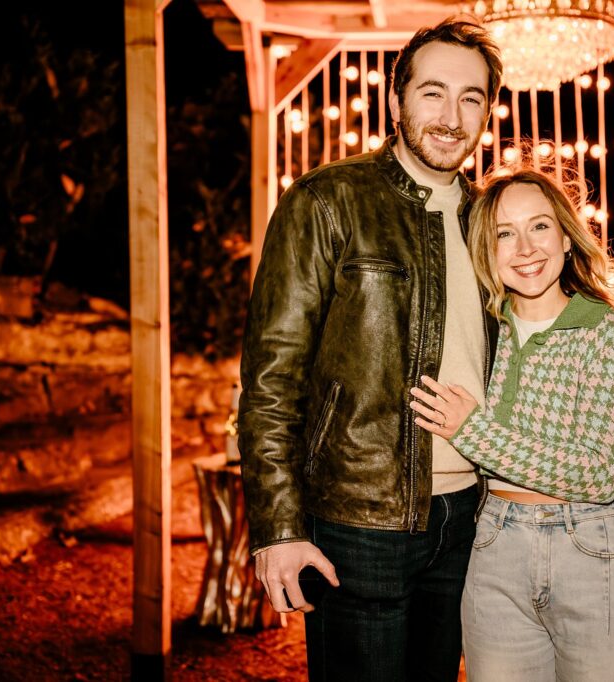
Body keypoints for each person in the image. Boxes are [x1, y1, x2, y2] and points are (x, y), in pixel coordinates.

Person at [237, 17, 503, 682]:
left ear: (489, 111)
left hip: (470, 514)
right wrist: (277, 526)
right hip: (361, 518)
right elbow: (271, 376)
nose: (451, 116)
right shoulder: (328, 201)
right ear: (396, 101)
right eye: (433, 92)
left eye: (471, 98)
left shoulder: (492, 219)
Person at [409, 160, 614, 680]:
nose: (525, 249)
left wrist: (472, 431)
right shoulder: (482, 335)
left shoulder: (602, 331)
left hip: (591, 549)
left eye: (540, 226)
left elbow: (603, 473)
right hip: (493, 547)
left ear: (567, 239)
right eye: (505, 233)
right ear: (486, 249)